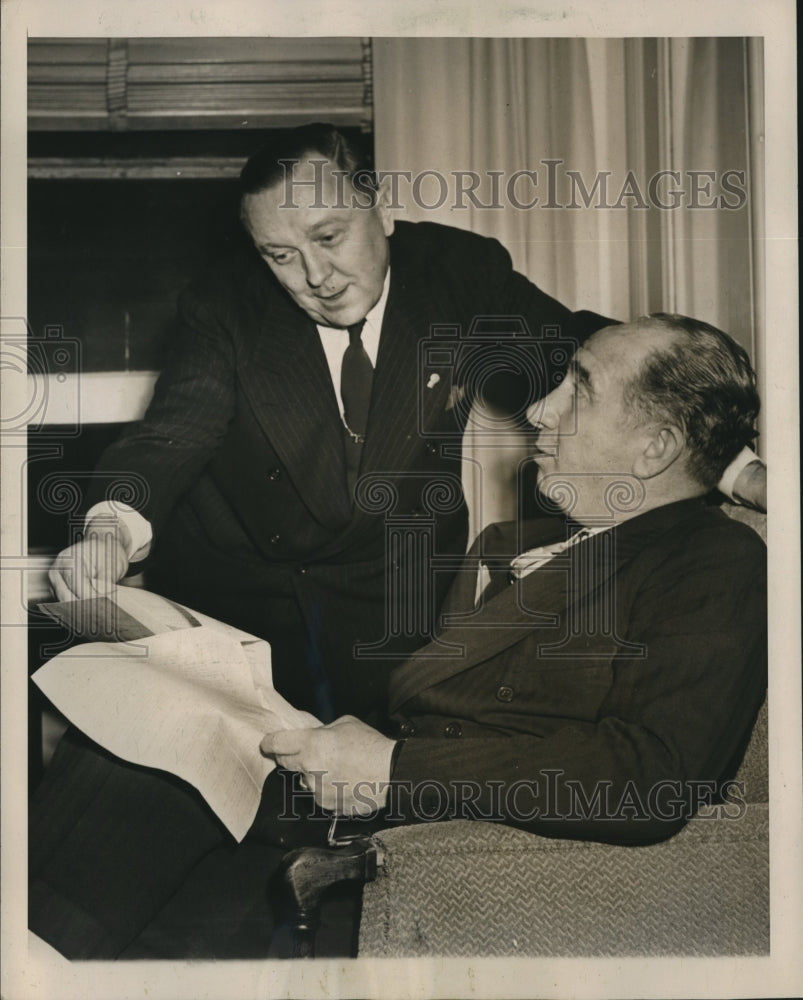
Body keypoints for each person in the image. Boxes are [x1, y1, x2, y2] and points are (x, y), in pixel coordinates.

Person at [29, 314, 766, 959]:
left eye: (578, 388)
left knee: (135, 788)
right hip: (377, 806)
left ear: (654, 448)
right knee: (139, 741)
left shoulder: (710, 557)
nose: (539, 411)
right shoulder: (508, 544)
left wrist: (393, 767)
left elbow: (649, 775)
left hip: (440, 831)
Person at [45, 124, 766, 725]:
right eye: (280, 255)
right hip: (241, 590)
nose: (315, 276)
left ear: (381, 210)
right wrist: (111, 528)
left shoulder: (455, 274)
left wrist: (732, 464)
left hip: (392, 586)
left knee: (381, 796)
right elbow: (170, 433)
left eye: (330, 237)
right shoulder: (226, 305)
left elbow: (579, 350)